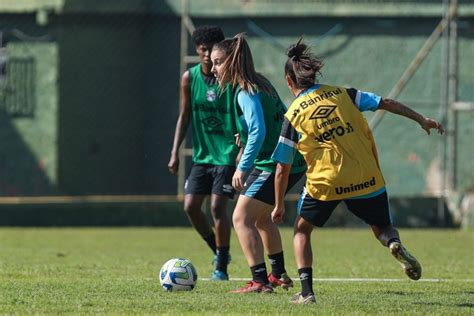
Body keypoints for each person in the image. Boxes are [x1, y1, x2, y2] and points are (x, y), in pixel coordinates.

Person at [272, 39, 445, 304]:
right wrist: (422, 119)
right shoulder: (344, 94)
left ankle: (306, 293)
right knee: (383, 226)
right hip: (365, 176)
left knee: (301, 231)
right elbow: (385, 102)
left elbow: (282, 168)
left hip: (326, 182)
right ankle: (392, 244)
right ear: (314, 74)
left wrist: (278, 205)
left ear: (288, 80)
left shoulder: (293, 115)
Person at [210, 33, 307, 293]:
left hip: (273, 164)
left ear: (232, 61)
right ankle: (279, 275)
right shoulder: (260, 82)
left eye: (218, 62)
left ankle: (260, 282)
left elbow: (260, 130)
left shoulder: (245, 91)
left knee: (241, 218)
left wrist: (243, 166)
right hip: (288, 160)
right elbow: (276, 120)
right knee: (262, 220)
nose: (213, 69)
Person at [168, 26, 238, 281]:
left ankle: (221, 267)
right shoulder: (190, 78)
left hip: (227, 155)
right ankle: (218, 250)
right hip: (203, 157)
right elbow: (184, 116)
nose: (208, 54)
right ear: (197, 51)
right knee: (191, 207)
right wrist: (175, 152)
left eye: (212, 49)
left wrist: (241, 150)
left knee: (218, 207)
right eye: (203, 49)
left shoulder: (231, 80)